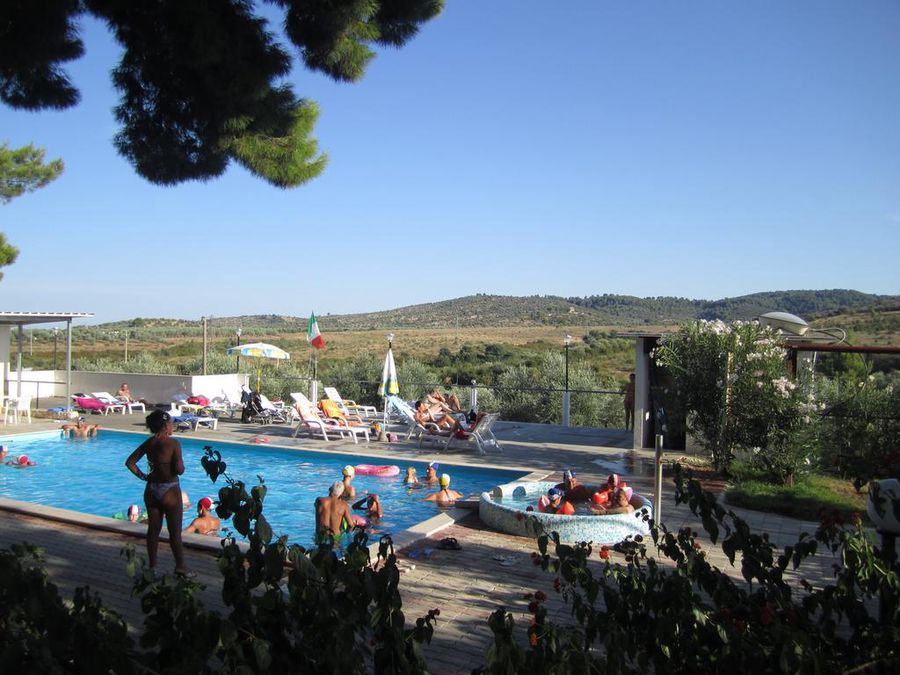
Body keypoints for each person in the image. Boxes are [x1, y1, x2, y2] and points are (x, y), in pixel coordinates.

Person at [124, 410, 190, 576]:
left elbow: (130, 462)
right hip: (170, 490)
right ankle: (180, 566)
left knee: (153, 531)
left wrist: (144, 476)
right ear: (165, 425)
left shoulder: (149, 443)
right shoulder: (174, 443)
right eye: (171, 423)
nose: (172, 425)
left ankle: (153, 566)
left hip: (152, 489)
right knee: (174, 532)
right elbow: (179, 470)